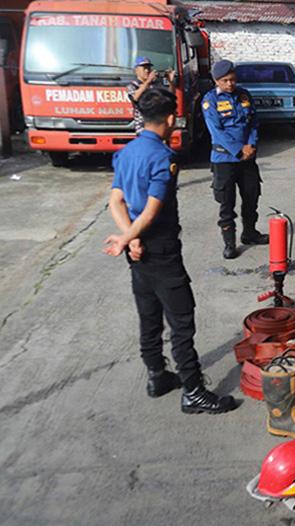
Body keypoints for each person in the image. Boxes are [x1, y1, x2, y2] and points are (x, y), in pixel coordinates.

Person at [104, 89, 236, 414]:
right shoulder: (164, 158)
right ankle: (193, 391)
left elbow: (116, 201)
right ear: (170, 119)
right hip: (160, 248)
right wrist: (128, 239)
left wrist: (129, 238)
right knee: (181, 320)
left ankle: (157, 376)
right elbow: (151, 212)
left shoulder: (127, 152)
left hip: (138, 251)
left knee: (149, 315)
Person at [202, 60, 267, 260]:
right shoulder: (209, 101)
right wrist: (239, 151)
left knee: (251, 196)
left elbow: (254, 122)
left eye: (232, 80)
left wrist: (252, 145)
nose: (230, 84)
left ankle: (249, 233)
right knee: (226, 203)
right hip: (224, 159)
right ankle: (229, 243)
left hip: (248, 157)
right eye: (225, 80)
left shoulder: (244, 95)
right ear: (216, 80)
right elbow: (217, 131)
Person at [127, 57, 176, 134]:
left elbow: (170, 96)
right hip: (143, 127)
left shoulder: (156, 84)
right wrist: (148, 81)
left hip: (158, 124)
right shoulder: (133, 85)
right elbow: (135, 98)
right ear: (136, 70)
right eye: (144, 68)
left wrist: (170, 82)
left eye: (149, 68)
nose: (147, 71)